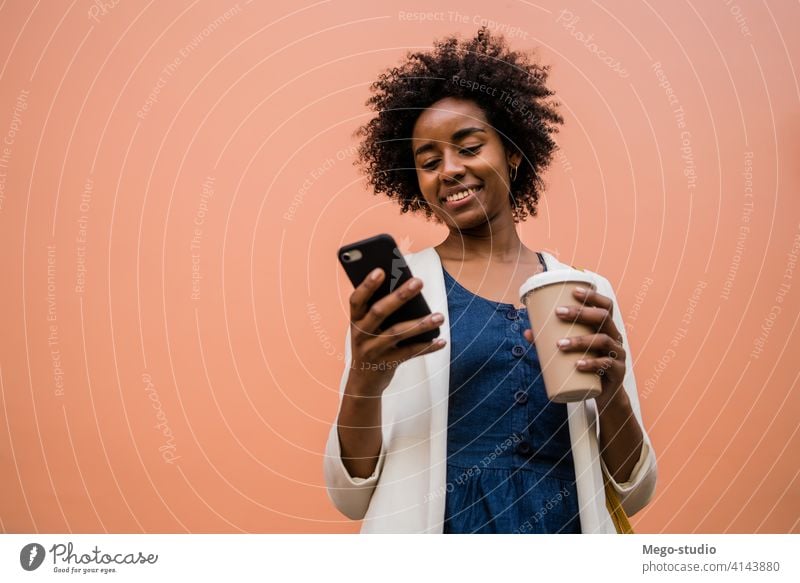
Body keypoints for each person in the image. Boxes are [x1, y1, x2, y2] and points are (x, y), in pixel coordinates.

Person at [323, 27, 657, 533]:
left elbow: (634, 488)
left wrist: (612, 391)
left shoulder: (585, 291)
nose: (450, 170)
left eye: (469, 147)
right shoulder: (404, 291)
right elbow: (351, 495)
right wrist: (365, 378)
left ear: (514, 154)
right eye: (429, 162)